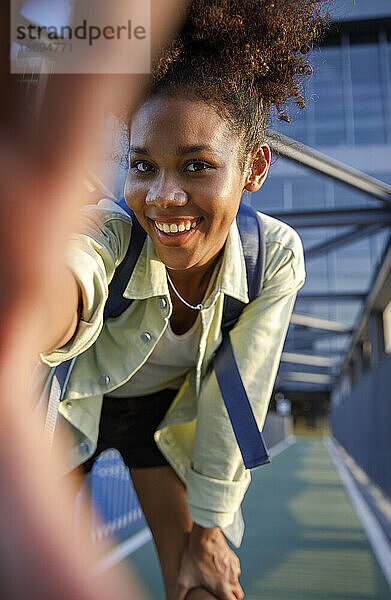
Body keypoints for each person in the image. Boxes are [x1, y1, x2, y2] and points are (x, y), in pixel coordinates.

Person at [38, 1, 328, 599]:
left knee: (200, 584)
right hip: (73, 404)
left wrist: (211, 529)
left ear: (254, 166)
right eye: (143, 165)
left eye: (196, 166)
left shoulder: (270, 255)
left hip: (159, 418)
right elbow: (70, 273)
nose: (163, 197)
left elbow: (238, 395)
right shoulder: (115, 229)